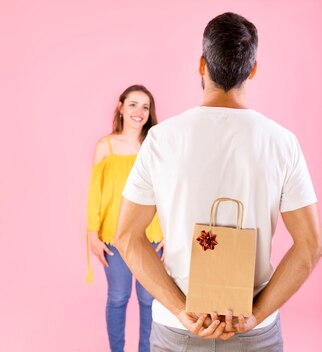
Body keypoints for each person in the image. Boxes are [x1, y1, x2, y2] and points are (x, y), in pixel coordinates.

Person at [113, 12, 322, 351]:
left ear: (201, 65)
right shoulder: (281, 142)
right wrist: (255, 315)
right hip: (253, 334)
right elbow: (310, 247)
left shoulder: (162, 139)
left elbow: (127, 237)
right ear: (252, 70)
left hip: (177, 330)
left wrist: (182, 312)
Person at [85, 84, 163, 352]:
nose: (139, 112)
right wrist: (92, 235)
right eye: (133, 104)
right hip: (113, 237)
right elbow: (95, 194)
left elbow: (166, 192)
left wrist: (168, 232)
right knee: (118, 297)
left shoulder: (155, 145)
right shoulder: (105, 146)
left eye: (145, 106)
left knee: (148, 299)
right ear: (120, 107)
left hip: (149, 236)